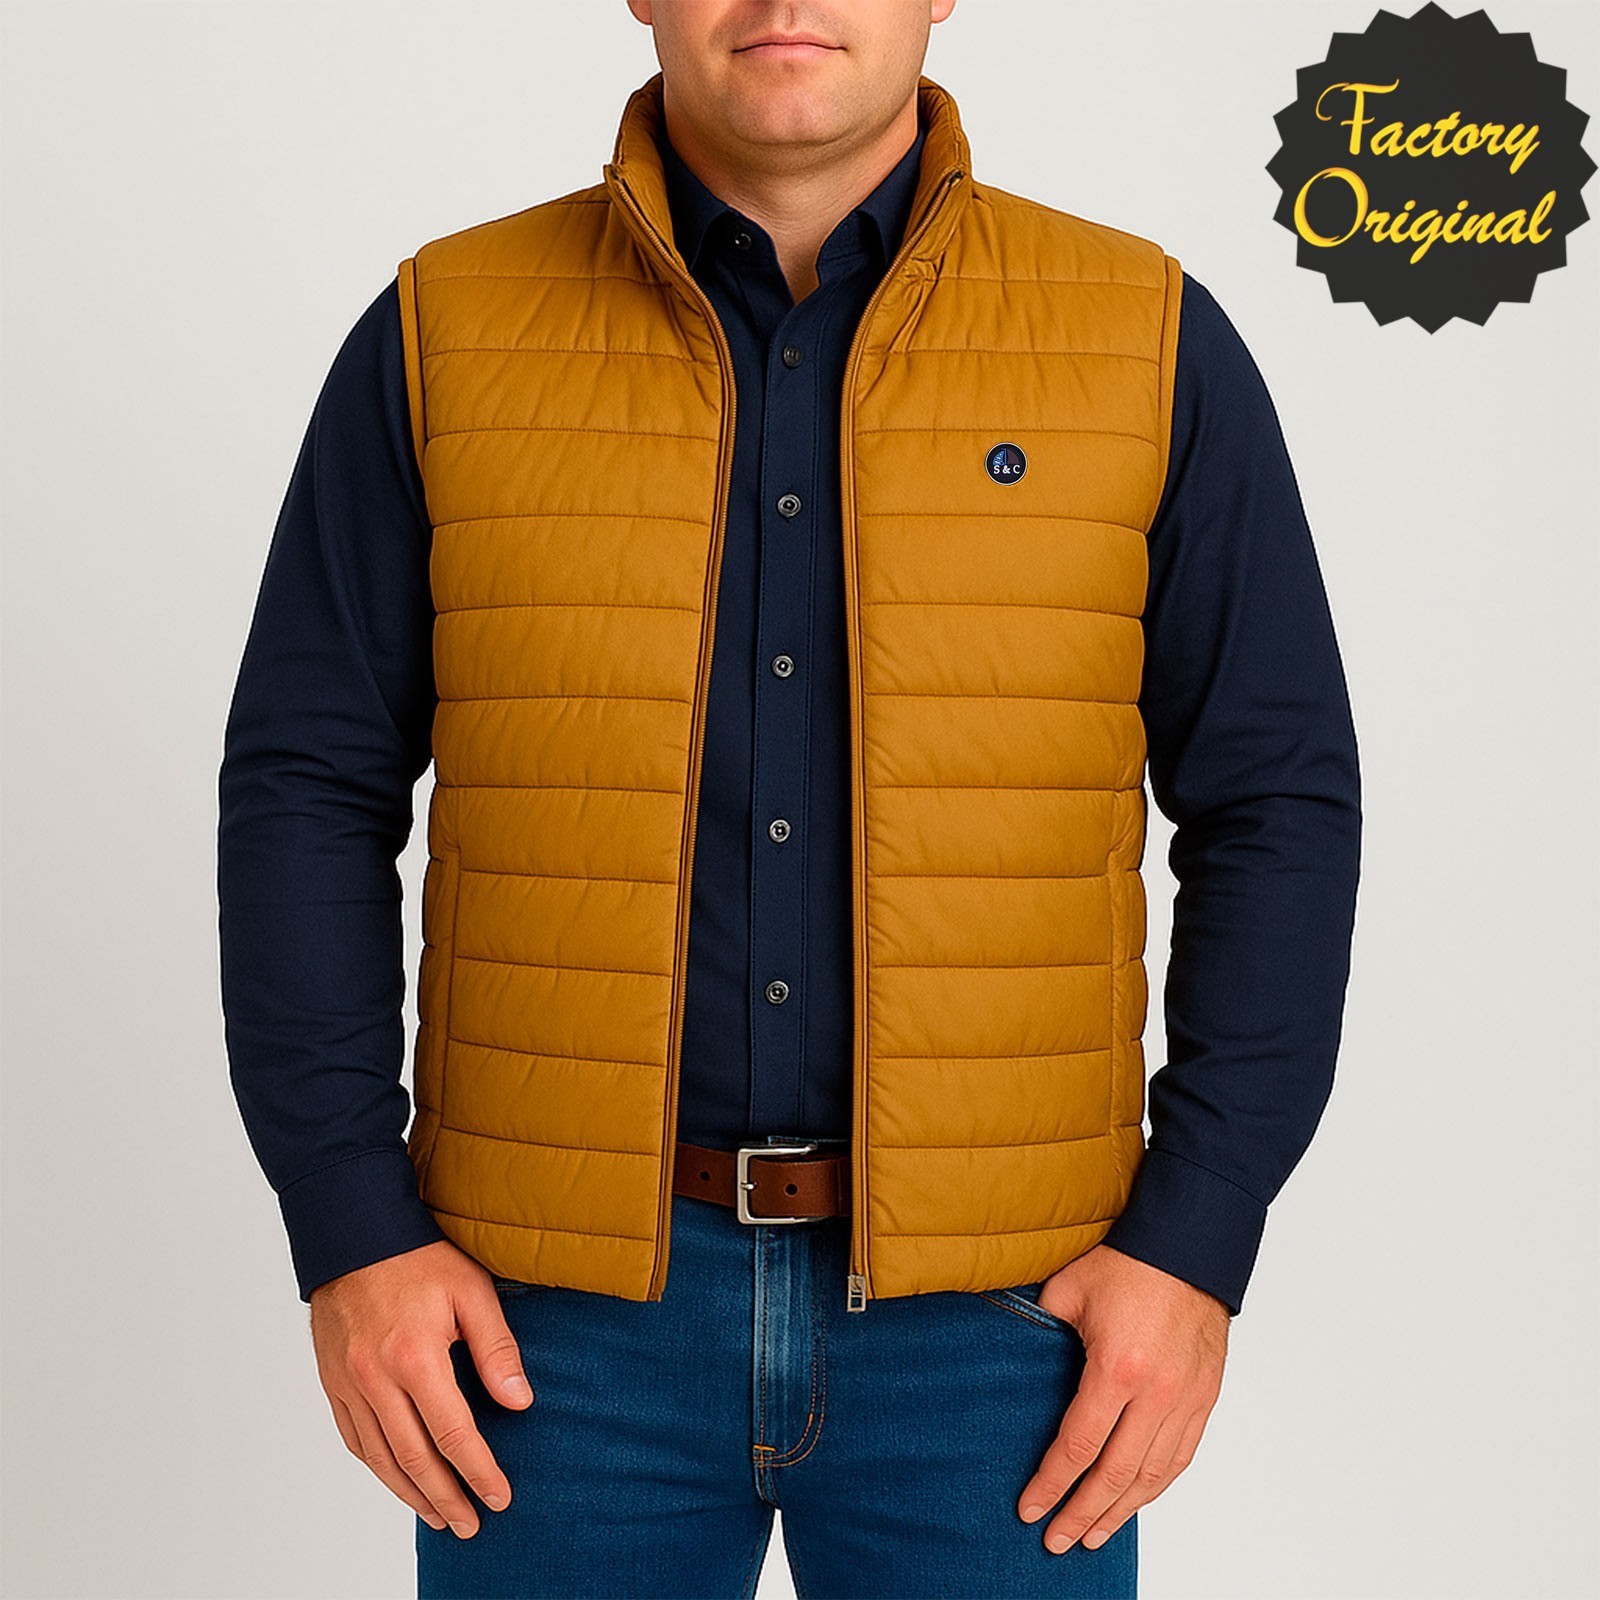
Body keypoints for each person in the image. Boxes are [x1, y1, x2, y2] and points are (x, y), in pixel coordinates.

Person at [216, 3, 1362, 1595]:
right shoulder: (442, 331)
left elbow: (1277, 801)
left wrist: (1198, 1237)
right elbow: (306, 784)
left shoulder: (1145, 338)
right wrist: (351, 1225)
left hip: (1005, 1341)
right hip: (550, 1339)